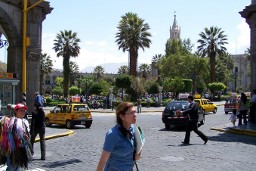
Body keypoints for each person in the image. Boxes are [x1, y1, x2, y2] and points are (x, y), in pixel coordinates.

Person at [96, 102, 141, 171]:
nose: (135, 115)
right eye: (131, 113)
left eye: (135, 112)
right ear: (122, 116)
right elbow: (102, 161)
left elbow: (138, 146)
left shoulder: (133, 129)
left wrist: (138, 154)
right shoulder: (113, 134)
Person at [0, 103, 32, 170]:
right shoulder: (10, 121)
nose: (23, 112)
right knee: (11, 167)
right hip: (12, 150)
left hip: (22, 148)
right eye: (21, 110)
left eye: (24, 110)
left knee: (18, 167)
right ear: (16, 111)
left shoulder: (25, 121)